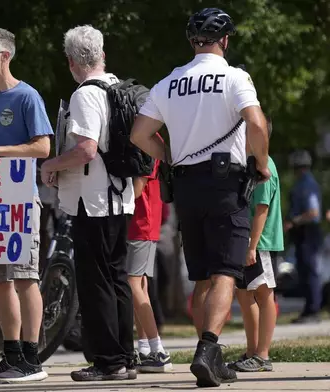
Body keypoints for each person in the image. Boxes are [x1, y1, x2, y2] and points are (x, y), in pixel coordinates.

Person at [130, 7, 271, 388]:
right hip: (226, 184)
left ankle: (209, 355)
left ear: (193, 41)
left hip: (187, 186)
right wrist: (260, 163)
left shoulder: (169, 82)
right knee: (227, 270)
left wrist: (171, 158)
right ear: (224, 40)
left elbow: (140, 134)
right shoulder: (234, 77)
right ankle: (208, 349)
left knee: (203, 277)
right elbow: (256, 123)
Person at [41, 25, 137, 382]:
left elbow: (86, 148)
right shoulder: (116, 87)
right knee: (117, 278)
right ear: (102, 55)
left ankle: (107, 361)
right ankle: (125, 356)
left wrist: (50, 165)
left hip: (92, 201)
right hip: (120, 196)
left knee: (95, 281)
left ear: (70, 61)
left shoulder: (85, 95)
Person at [0, 28, 52, 383]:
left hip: (20, 200)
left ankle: (32, 360)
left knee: (24, 278)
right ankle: (11, 354)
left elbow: (43, 148)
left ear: (5, 56)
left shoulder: (27, 96)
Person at [229, 118, 283, 372]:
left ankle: (262, 354)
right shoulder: (250, 165)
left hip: (261, 242)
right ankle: (252, 351)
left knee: (263, 293)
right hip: (249, 241)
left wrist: (252, 245)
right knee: (244, 293)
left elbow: (261, 210)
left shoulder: (265, 165)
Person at [127, 156, 172, 373]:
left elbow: (136, 189)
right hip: (145, 225)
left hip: (140, 225)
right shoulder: (151, 138)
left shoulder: (143, 142)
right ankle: (145, 349)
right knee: (141, 285)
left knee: (132, 284)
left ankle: (158, 350)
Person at [284, 149, 323, 324]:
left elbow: (313, 213)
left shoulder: (307, 185)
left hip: (308, 232)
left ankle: (313, 310)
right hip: (303, 233)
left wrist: (293, 222)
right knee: (304, 270)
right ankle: (308, 310)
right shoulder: (303, 183)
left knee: (310, 271)